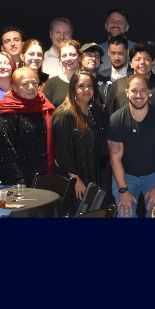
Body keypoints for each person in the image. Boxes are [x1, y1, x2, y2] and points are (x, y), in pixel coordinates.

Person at [107, 75, 155, 218]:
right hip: (125, 176)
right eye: (134, 91)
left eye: (143, 90)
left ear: (149, 92)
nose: (138, 95)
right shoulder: (116, 120)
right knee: (124, 216)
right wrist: (123, 190)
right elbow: (115, 159)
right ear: (127, 93)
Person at [52, 70, 111, 215]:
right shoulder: (64, 114)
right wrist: (75, 179)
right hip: (77, 179)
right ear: (73, 89)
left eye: (90, 86)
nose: (86, 90)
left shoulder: (97, 110)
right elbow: (62, 152)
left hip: (98, 177)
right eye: (81, 86)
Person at [0, 67, 56, 186]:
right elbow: (5, 155)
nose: (31, 87)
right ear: (15, 87)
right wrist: (18, 184)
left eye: (34, 83)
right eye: (25, 84)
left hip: (45, 177)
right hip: (19, 181)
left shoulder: (45, 106)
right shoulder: (7, 112)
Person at [105, 43, 155, 116]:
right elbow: (109, 115)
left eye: (147, 59)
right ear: (131, 64)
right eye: (138, 59)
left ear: (152, 63)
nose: (142, 62)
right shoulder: (117, 85)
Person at [42, 39, 83, 107]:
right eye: (64, 55)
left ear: (80, 57)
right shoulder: (52, 83)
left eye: (72, 55)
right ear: (60, 59)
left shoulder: (89, 82)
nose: (68, 58)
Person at [98, 9, 137, 76]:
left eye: (120, 22)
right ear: (106, 26)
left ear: (127, 28)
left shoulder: (137, 50)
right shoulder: (98, 50)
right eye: (112, 21)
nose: (116, 25)